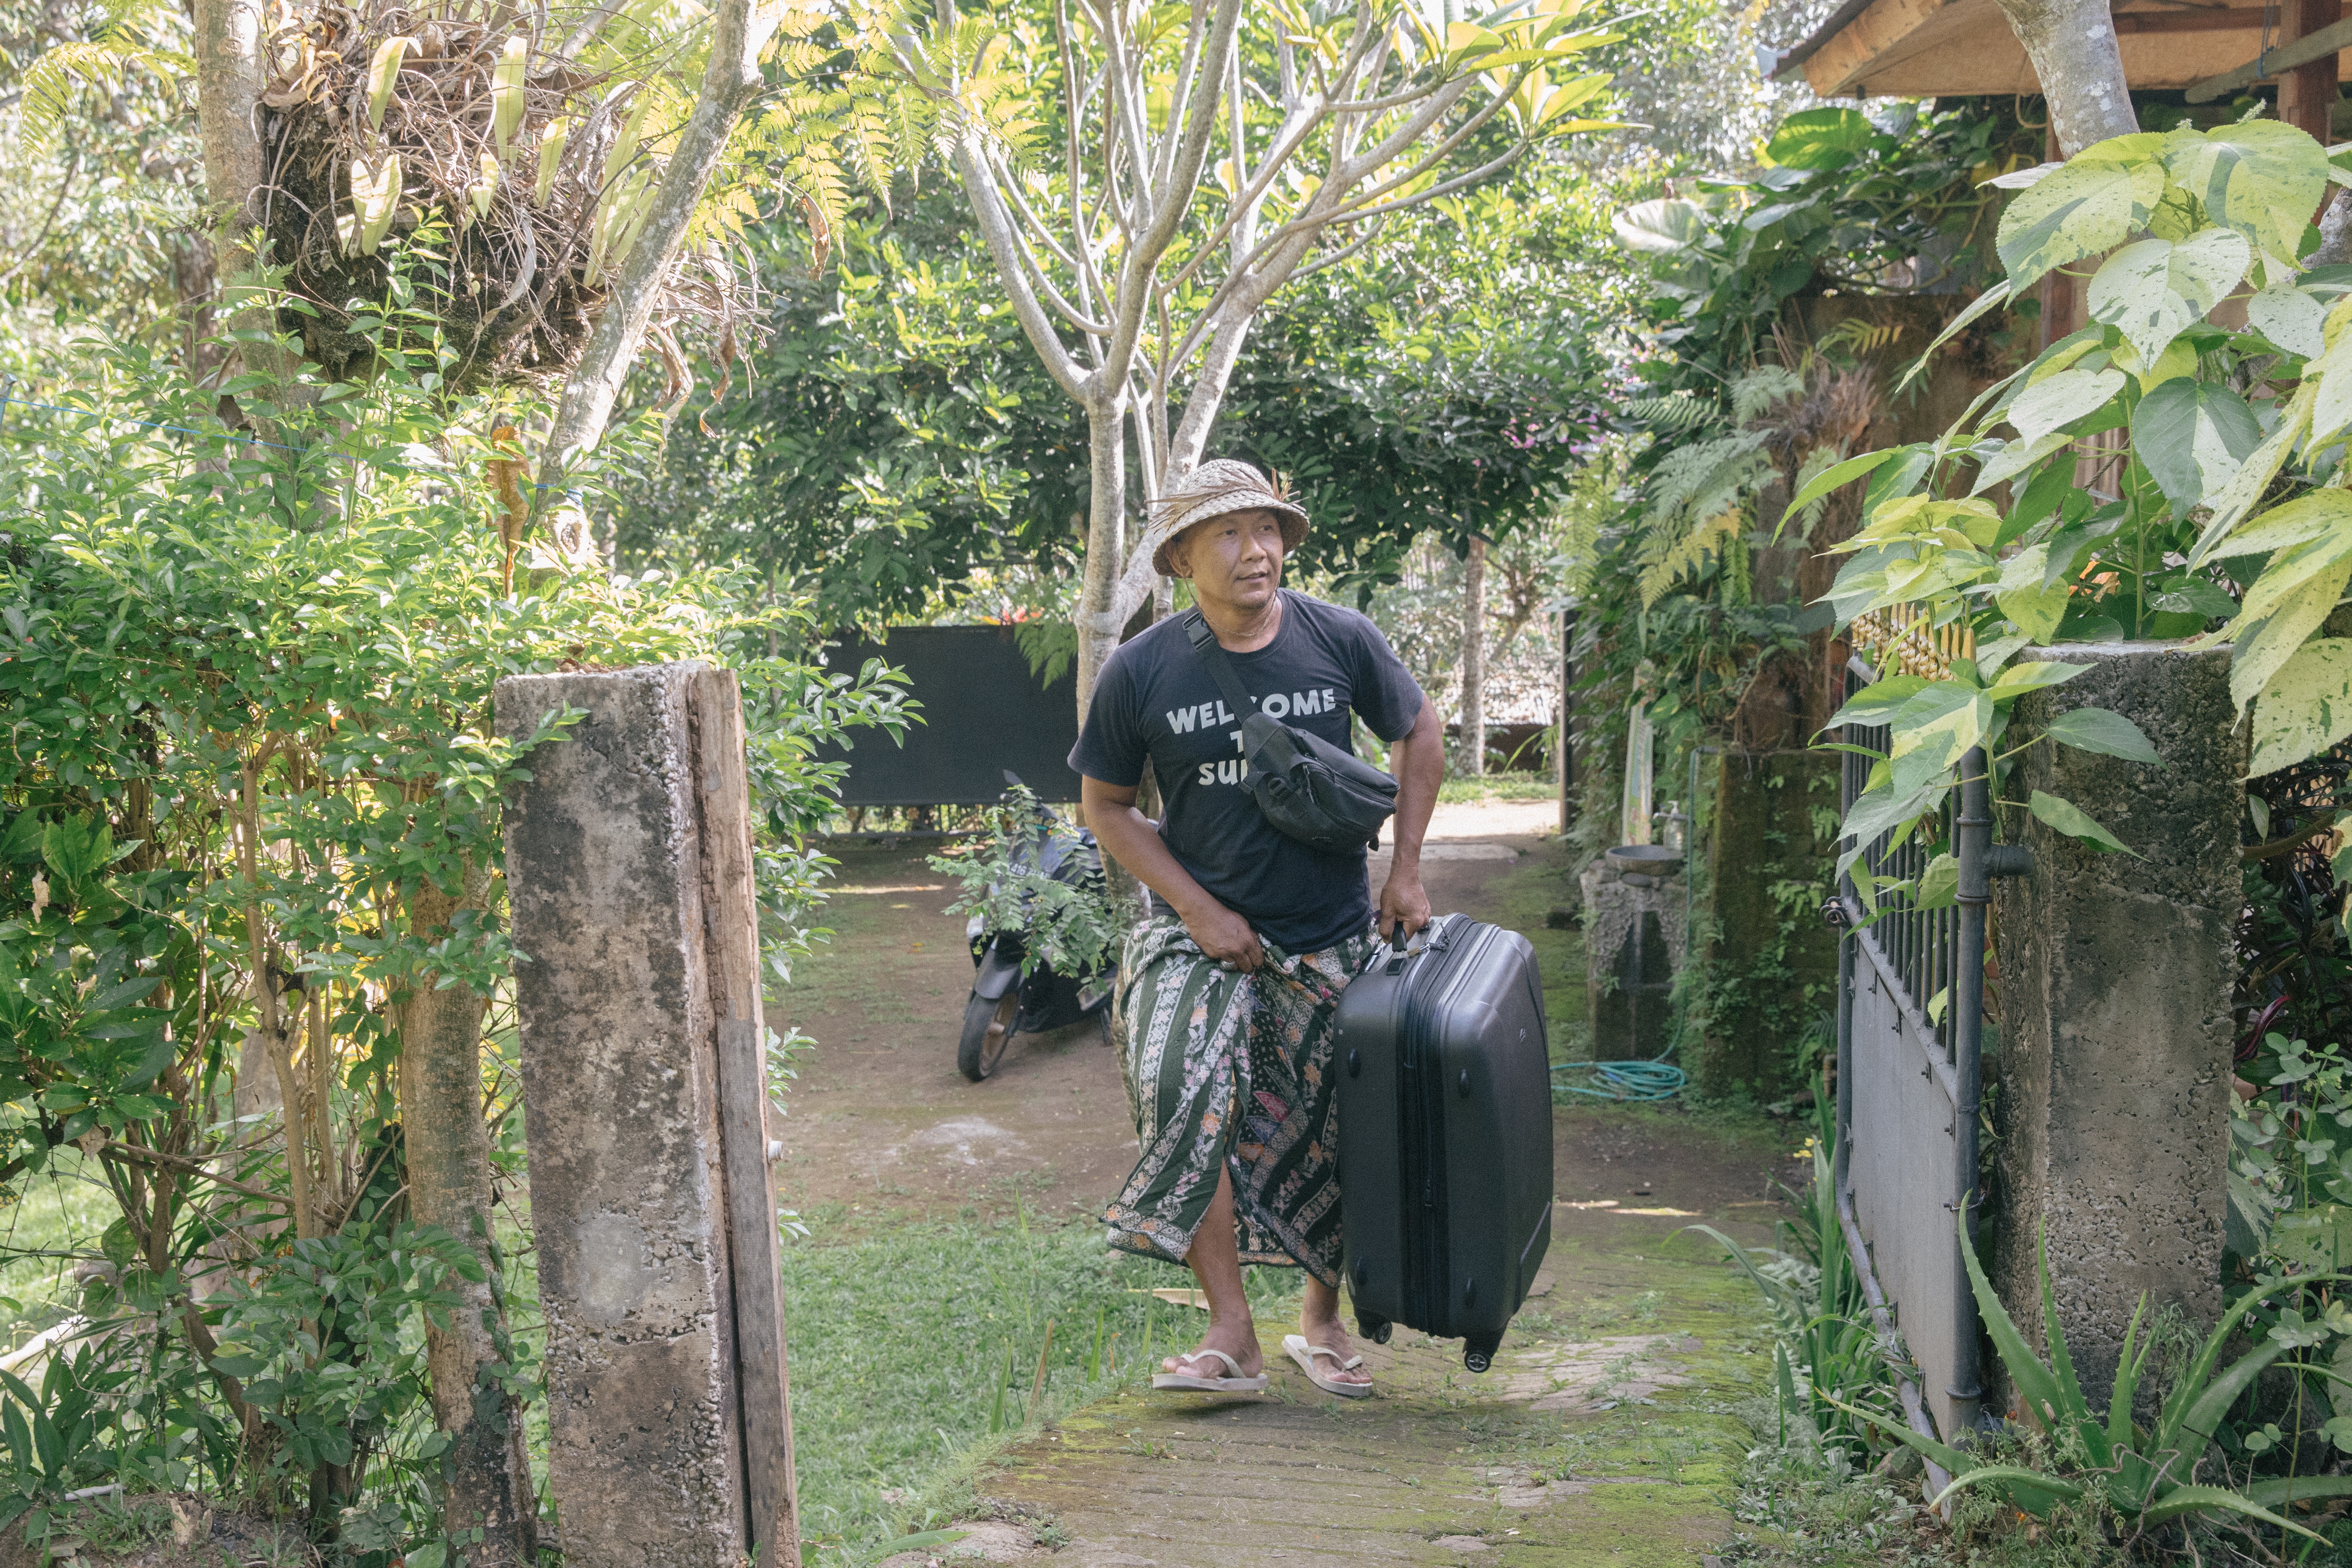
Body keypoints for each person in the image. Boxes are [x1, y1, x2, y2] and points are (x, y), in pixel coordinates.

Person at [1069, 458, 1443, 1398]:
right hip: (1203, 936)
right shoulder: (1142, 668)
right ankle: (1231, 1333)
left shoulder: (1339, 636)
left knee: (1339, 1126)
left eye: (1268, 529)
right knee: (1176, 1082)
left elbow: (1419, 732)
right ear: (1183, 558)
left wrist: (1404, 869)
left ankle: (1319, 1323)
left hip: (1332, 933)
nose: (1256, 551)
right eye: (1229, 534)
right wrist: (1197, 908)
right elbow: (1105, 807)